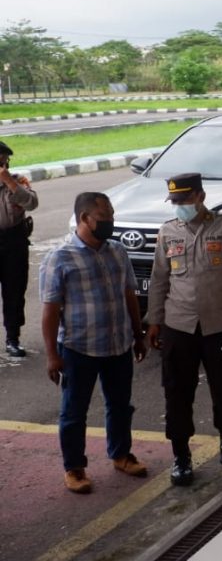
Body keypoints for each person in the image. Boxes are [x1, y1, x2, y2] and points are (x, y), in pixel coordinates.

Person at [145, 173, 222, 487]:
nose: (179, 206)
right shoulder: (168, 232)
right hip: (178, 325)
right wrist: (154, 322)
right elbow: (159, 280)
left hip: (220, 325)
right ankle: (181, 457)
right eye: (175, 202)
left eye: (184, 200)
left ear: (200, 196)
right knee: (177, 392)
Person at [40, 192, 148, 494]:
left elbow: (129, 294)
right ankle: (74, 468)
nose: (110, 222)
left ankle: (121, 455)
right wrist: (52, 355)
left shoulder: (117, 251)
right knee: (74, 412)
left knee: (120, 405)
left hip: (117, 345)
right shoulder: (59, 258)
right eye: (104, 217)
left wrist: (137, 335)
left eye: (111, 215)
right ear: (85, 218)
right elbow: (49, 312)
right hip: (78, 349)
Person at [0, 141, 38, 357]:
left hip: (14, 242)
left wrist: (8, 183)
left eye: (3, 160)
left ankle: (12, 338)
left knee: (14, 292)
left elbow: (32, 203)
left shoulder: (18, 182)